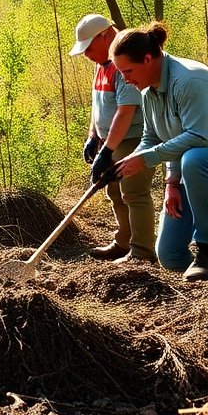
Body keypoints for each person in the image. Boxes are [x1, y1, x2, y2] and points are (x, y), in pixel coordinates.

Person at [110, 23, 208, 280]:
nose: (125, 79)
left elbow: (197, 137)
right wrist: (159, 176)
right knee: (169, 254)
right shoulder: (148, 92)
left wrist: (148, 158)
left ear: (148, 59)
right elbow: (153, 137)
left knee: (195, 159)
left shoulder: (189, 79)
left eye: (127, 71)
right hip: (200, 167)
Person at [70, 14, 157, 263]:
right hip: (111, 140)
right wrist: (93, 136)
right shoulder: (101, 65)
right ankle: (123, 243)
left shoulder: (125, 64)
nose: (86, 55)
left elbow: (125, 111)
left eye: (89, 48)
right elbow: (98, 105)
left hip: (133, 138)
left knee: (133, 192)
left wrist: (107, 150)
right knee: (115, 192)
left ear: (105, 36)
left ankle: (142, 252)